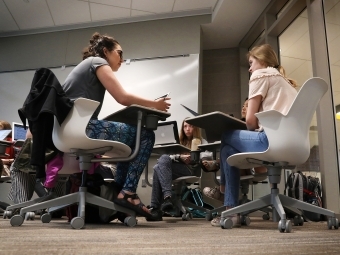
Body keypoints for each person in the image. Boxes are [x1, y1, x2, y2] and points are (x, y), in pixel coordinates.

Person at [62, 32, 170, 218]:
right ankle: (127, 194)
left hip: (68, 129)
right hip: (82, 128)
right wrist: (155, 104)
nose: (122, 58)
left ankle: (119, 193)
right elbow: (122, 98)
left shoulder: (88, 66)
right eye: (119, 53)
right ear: (106, 51)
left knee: (129, 141)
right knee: (144, 135)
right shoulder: (97, 62)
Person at [210, 44, 298, 227]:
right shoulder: (285, 82)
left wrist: (251, 128)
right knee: (227, 150)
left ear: (263, 62)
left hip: (270, 142)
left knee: (226, 135)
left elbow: (250, 121)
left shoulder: (261, 75)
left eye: (251, 63)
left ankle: (224, 194)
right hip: (294, 145)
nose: (250, 69)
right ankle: (230, 208)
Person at [147, 118, 207, 221]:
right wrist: (179, 157)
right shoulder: (178, 142)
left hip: (190, 169)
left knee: (158, 167)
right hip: (174, 167)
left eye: (191, 126)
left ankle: (156, 207)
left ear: (196, 128)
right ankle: (166, 198)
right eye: (185, 126)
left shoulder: (201, 141)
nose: (187, 129)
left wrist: (194, 157)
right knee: (162, 161)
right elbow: (169, 157)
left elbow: (207, 156)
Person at [201, 98, 249, 202]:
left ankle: (218, 167)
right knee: (227, 149)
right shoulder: (239, 125)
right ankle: (223, 187)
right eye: (243, 106)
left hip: (249, 163)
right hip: (239, 161)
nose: (243, 108)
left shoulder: (254, 128)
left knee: (229, 150)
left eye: (247, 106)